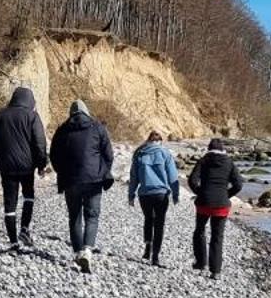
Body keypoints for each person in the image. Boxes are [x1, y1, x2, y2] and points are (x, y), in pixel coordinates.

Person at [48, 98, 115, 274]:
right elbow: (108, 154)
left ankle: (78, 252)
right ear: (86, 112)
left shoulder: (62, 130)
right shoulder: (98, 127)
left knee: (74, 216)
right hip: (94, 180)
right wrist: (102, 171)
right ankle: (87, 249)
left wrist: (61, 172)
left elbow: (54, 155)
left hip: (70, 180)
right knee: (92, 216)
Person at [0, 85, 49, 251]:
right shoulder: (32, 117)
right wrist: (42, 164)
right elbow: (39, 143)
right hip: (27, 166)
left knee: (9, 202)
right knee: (28, 196)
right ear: (30, 101)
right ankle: (24, 229)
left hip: (7, 166)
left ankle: (13, 241)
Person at [187, 136, 244, 277]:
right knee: (217, 236)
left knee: (199, 232)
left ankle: (201, 263)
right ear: (223, 149)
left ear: (209, 149)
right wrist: (227, 195)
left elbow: (192, 180)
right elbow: (238, 184)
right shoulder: (229, 163)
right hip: (221, 204)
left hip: (204, 202)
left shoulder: (203, 161)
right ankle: (216, 271)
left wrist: (200, 193)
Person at [127, 130, 181, 265]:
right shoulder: (165, 153)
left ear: (148, 140)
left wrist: (131, 194)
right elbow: (173, 176)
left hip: (144, 194)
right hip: (161, 194)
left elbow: (134, 177)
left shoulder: (139, 153)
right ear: (160, 141)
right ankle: (155, 256)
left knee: (148, 219)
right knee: (159, 224)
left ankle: (147, 247)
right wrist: (175, 194)